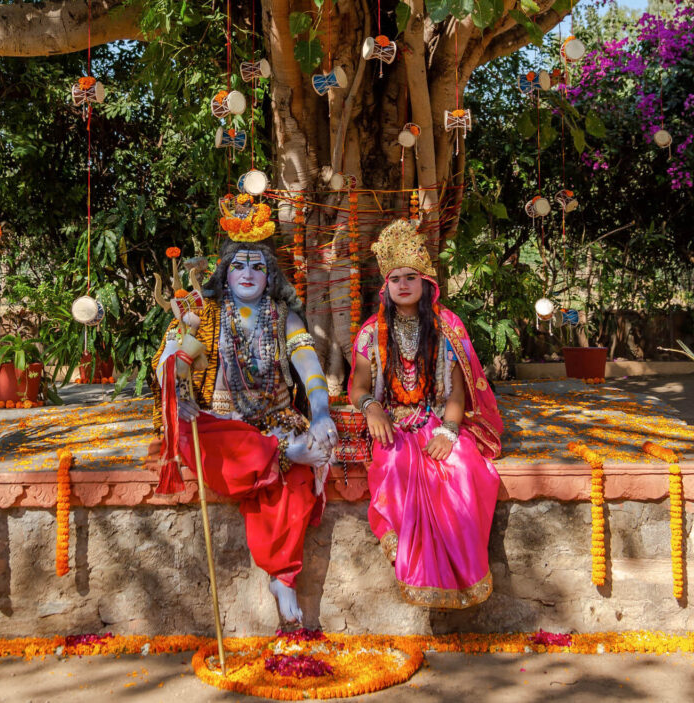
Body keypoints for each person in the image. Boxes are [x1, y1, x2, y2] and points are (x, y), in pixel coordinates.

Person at [152, 194, 339, 624]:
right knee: (210, 438)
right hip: (222, 428)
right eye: (239, 265)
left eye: (258, 266)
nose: (249, 274)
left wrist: (321, 412)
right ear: (224, 273)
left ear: (270, 276)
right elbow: (166, 368)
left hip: (275, 420)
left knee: (297, 479)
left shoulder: (285, 317)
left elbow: (309, 368)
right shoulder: (203, 314)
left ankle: (283, 576)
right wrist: (181, 365)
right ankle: (282, 455)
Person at [348, 218, 504, 609]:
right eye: (395, 278)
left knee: (462, 467)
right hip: (393, 423)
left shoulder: (447, 327)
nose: (403, 285)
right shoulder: (371, 332)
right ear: (385, 286)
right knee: (395, 467)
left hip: (437, 419)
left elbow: (457, 392)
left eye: (411, 277)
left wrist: (449, 432)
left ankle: (463, 576)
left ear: (426, 282)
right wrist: (372, 409)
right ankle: (414, 568)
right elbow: (359, 387)